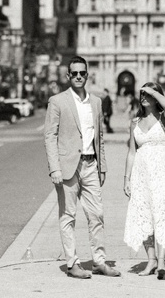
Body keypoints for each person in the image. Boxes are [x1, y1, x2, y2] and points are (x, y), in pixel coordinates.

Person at [44, 56, 121, 279]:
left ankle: (99, 262)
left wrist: (102, 165)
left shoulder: (95, 102)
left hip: (91, 165)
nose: (78, 76)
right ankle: (72, 264)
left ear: (87, 75)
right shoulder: (57, 101)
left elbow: (100, 137)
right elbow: (50, 136)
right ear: (68, 76)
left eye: (82, 73)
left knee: (97, 214)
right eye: (74, 73)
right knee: (68, 216)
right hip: (67, 166)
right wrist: (54, 168)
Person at [123, 82, 165, 280]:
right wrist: (126, 178)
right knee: (143, 215)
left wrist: (152, 90)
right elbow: (131, 152)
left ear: (156, 96)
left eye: (148, 94)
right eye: (142, 94)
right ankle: (151, 260)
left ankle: (162, 262)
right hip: (140, 173)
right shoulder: (135, 122)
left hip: (160, 173)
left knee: (161, 213)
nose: (143, 97)